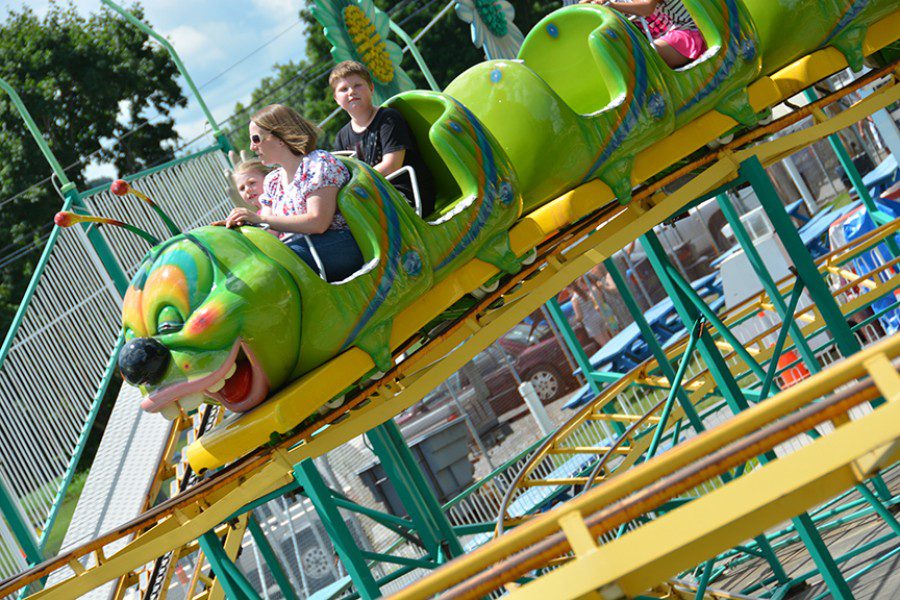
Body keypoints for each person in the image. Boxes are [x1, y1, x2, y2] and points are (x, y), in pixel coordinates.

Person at [225, 104, 365, 282]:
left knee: (277, 266)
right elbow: (269, 233)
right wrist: (239, 229)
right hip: (306, 248)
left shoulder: (318, 164)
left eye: (256, 138)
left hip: (342, 243)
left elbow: (318, 222)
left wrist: (260, 219)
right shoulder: (273, 181)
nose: (252, 147)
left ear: (280, 138)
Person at [329, 60, 436, 217]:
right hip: (371, 198)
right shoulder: (341, 137)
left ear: (371, 88)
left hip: (408, 195)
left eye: (358, 85)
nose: (351, 92)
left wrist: (355, 188)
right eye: (343, 89)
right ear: (336, 100)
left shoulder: (388, 119)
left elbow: (392, 165)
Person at [579, 0, 707, 68]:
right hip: (680, 30)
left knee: (647, 55)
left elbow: (647, 8)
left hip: (692, 32)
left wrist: (611, 5)